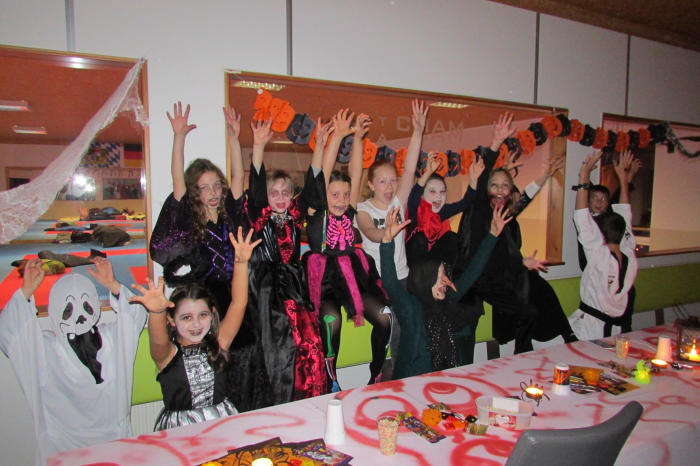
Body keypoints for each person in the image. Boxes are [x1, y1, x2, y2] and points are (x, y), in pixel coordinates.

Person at [0, 257, 147, 465]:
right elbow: (10, 334)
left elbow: (135, 314)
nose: (79, 316)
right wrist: (26, 291)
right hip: (61, 449)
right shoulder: (43, 349)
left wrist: (113, 285)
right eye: (68, 310)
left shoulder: (113, 339)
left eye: (86, 306)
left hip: (113, 443)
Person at [456, 113, 576, 356]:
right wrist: (495, 143)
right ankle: (523, 347)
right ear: (487, 188)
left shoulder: (505, 212)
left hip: (500, 275)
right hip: (477, 278)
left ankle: (528, 350)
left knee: (531, 304)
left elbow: (524, 199)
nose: (500, 190)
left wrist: (545, 175)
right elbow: (482, 184)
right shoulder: (479, 211)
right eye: (494, 185)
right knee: (524, 308)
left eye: (505, 186)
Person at [232, 116, 327, 403]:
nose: (281, 197)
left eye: (286, 192)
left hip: (294, 286)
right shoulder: (259, 216)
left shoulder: (295, 215)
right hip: (267, 289)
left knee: (309, 340)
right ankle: (277, 400)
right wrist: (258, 146)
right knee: (278, 346)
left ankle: (307, 395)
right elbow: (256, 189)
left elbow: (313, 185)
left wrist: (320, 146)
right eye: (274, 193)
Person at [130, 227, 259, 430]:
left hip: (221, 422)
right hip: (181, 429)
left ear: (212, 314)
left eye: (203, 315)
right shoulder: (167, 355)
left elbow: (238, 303)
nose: (197, 324)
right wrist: (156, 312)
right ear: (172, 320)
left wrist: (241, 263)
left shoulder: (220, 343)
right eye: (186, 318)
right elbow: (157, 338)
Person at [303, 109, 392, 391]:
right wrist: (337, 138)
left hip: (353, 275)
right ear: (324, 195)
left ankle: (376, 374)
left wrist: (358, 138)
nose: (341, 200)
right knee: (331, 321)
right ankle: (331, 379)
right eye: (334, 195)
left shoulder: (349, 208)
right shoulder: (316, 211)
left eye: (345, 195)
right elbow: (321, 174)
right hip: (325, 279)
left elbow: (356, 171)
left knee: (385, 316)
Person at [380, 205, 510, 377]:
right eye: (437, 275)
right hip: (410, 384)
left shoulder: (448, 300)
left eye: (444, 274)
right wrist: (387, 241)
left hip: (442, 382)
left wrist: (492, 235)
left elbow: (472, 272)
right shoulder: (411, 309)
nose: (443, 280)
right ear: (425, 280)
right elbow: (390, 282)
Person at [149, 102, 247, 317]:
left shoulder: (228, 215)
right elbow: (177, 178)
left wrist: (234, 139)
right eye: (205, 188)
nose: (213, 192)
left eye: (217, 186)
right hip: (203, 295)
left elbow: (239, 176)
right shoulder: (191, 219)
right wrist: (179, 136)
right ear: (195, 191)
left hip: (234, 290)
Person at [356, 100, 428, 378]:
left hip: (402, 278)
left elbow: (409, 170)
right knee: (396, 326)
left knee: (410, 327)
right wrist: (384, 234)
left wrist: (417, 131)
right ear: (371, 184)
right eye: (382, 181)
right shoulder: (364, 208)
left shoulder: (398, 203)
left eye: (392, 181)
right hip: (378, 282)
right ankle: (392, 375)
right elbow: (368, 231)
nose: (389, 186)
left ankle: (403, 374)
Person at [569, 151, 638, 339]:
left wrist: (584, 175)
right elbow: (624, 215)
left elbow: (582, 218)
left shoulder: (599, 256)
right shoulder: (629, 253)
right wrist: (623, 178)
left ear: (601, 236)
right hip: (616, 327)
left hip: (593, 328)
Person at [405, 151, 484, 266]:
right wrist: (427, 173)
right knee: (420, 238)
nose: (438, 197)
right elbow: (414, 194)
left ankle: (445, 273)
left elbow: (465, 203)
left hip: (431, 264)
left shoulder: (442, 212)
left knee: (451, 237)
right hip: (413, 264)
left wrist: (473, 180)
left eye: (442, 192)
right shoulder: (416, 208)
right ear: (422, 195)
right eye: (432, 191)